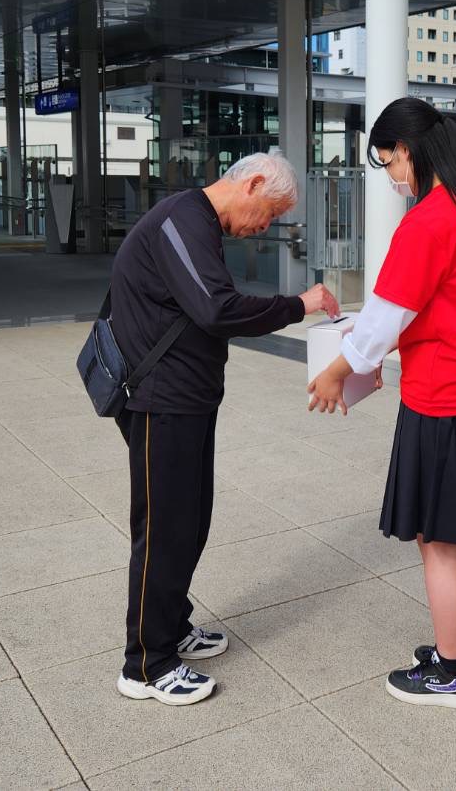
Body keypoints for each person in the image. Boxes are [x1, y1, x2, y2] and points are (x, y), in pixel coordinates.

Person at [110, 152, 339, 706]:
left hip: (184, 397)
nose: (267, 226)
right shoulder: (182, 221)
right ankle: (145, 662)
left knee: (189, 522)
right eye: (271, 211)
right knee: (165, 528)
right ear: (252, 182)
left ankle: (171, 625)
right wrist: (297, 304)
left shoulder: (197, 223)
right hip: (158, 400)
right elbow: (216, 309)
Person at [309, 97, 456, 710]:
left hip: (443, 399)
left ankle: (453, 673)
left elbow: (386, 320)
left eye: (388, 161)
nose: (393, 176)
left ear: (407, 150)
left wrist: (336, 373)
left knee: (441, 543)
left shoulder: (428, 221)